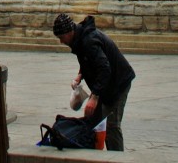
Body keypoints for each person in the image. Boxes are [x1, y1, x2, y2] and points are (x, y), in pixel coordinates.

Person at [52, 12, 135, 151]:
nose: (61, 41)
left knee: (111, 126)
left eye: (61, 37)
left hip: (118, 83)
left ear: (69, 32)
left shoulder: (88, 41)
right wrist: (80, 75)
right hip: (105, 84)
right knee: (93, 119)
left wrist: (95, 96)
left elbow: (104, 68)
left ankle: (116, 157)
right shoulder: (79, 39)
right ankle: (94, 154)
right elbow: (89, 60)